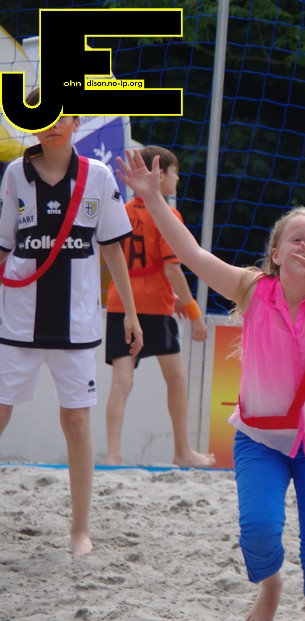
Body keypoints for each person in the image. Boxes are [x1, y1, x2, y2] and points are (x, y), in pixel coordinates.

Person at [116, 148, 305, 620]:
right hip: (260, 439)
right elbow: (192, 255)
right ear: (275, 255)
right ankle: (271, 584)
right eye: (297, 239)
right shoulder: (252, 289)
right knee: (259, 531)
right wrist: (154, 199)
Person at [0, 89, 143, 557]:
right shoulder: (14, 175)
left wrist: (130, 313)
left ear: (77, 121)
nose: (52, 124)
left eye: (60, 116)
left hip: (77, 327)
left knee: (77, 421)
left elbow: (113, 250)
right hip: (16, 321)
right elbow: (4, 247)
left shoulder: (98, 176)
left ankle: (80, 530)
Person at [102, 145, 214, 468]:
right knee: (177, 377)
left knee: (122, 380)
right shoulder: (167, 215)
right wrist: (193, 312)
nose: (178, 179)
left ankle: (113, 454)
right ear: (159, 174)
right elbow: (172, 269)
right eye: (175, 172)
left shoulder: (122, 210)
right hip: (153, 305)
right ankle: (182, 451)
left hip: (121, 303)